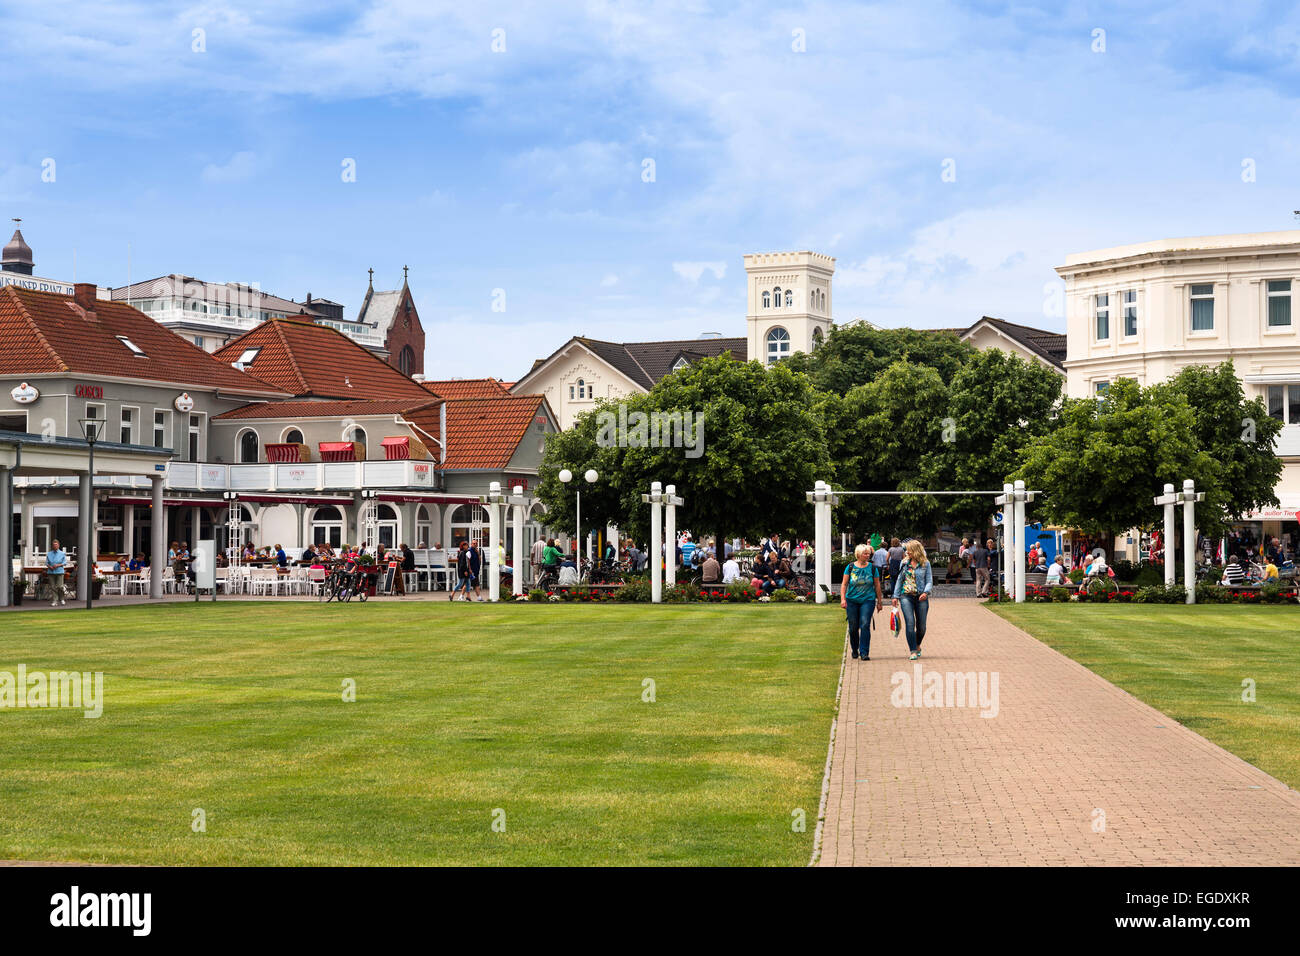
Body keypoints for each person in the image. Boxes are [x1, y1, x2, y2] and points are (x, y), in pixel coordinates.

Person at [841, 544, 884, 661]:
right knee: (853, 627)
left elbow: (877, 585)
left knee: (865, 624)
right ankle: (855, 649)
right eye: (865, 553)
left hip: (868, 600)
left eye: (868, 553)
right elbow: (844, 584)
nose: (868, 555)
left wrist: (879, 602)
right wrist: (843, 599)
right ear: (859, 554)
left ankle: (864, 652)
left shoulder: (872, 568)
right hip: (852, 601)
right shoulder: (850, 567)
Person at [891, 540, 933, 661]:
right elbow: (899, 579)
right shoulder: (904, 563)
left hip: (921, 597)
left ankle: (918, 644)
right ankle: (913, 650)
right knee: (910, 623)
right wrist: (895, 596)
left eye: (908, 550)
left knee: (922, 627)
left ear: (915, 550)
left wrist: (925, 592)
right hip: (906, 596)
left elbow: (929, 580)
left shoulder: (926, 563)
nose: (906, 552)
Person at [45, 538, 68, 606]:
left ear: (58, 545)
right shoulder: (49, 553)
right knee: (53, 587)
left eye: (56, 545)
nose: (55, 546)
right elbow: (46, 563)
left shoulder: (62, 553)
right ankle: (55, 600)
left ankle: (62, 598)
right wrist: (50, 566)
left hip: (59, 572)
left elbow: (64, 563)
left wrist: (58, 565)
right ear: (52, 546)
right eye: (54, 545)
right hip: (51, 572)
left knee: (60, 586)